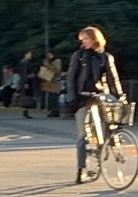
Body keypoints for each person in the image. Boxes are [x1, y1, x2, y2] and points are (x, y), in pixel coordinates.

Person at [66, 26, 123, 184]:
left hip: (99, 97)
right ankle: (81, 168)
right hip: (82, 97)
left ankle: (104, 149)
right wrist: (73, 99)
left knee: (108, 126)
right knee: (82, 135)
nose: (84, 42)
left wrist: (119, 96)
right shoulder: (78, 56)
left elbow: (113, 78)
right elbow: (71, 78)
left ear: (95, 39)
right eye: (82, 39)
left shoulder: (105, 57)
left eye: (86, 39)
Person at [36, 52, 64, 119]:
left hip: (54, 81)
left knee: (53, 97)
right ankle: (52, 110)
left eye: (49, 55)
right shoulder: (52, 61)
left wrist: (47, 66)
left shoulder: (57, 61)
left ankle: (55, 111)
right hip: (50, 81)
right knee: (51, 97)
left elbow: (57, 70)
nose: (48, 56)